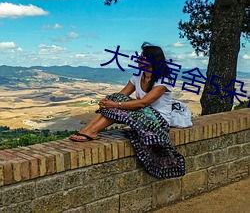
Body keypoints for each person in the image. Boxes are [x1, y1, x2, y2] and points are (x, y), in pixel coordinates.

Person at [69, 42, 185, 178]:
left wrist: (115, 104)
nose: (138, 59)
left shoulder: (163, 80)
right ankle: (87, 130)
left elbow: (144, 102)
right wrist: (107, 102)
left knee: (117, 104)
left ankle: (92, 131)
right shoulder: (138, 76)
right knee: (115, 98)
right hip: (142, 114)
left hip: (158, 121)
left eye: (142, 57)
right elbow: (122, 95)